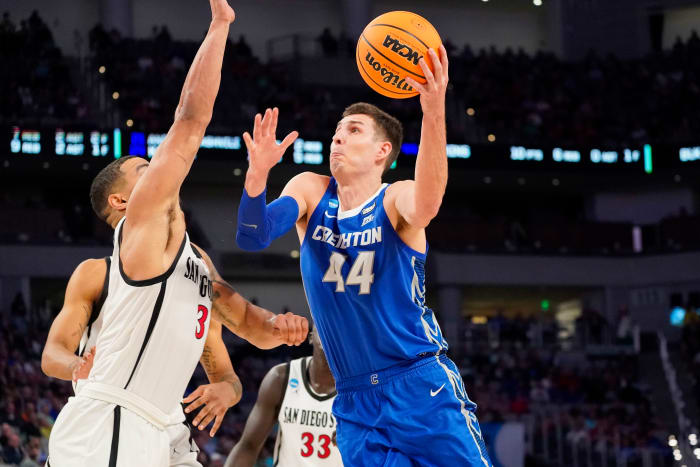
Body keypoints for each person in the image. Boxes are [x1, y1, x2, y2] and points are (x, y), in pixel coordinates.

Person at [47, 1, 307, 465]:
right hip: (111, 418)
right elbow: (189, 123)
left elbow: (250, 328)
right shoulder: (138, 230)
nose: (156, 176)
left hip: (165, 427)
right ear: (122, 202)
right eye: (144, 172)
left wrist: (282, 329)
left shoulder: (197, 262)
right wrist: (220, 26)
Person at [235, 46, 492, 466]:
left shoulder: (394, 199)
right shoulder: (310, 190)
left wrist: (432, 111)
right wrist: (257, 175)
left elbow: (428, 204)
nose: (338, 136)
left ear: (381, 152)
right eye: (337, 130)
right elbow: (252, 236)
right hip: (353, 397)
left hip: (418, 382)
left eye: (353, 130)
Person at [42, 256, 242, 466]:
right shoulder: (98, 273)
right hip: (106, 414)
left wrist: (227, 392)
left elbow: (229, 378)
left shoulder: (198, 291)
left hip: (169, 426)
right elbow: (52, 355)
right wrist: (77, 366)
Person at [226, 328, 341, 466]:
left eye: (334, 325)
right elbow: (248, 445)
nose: (329, 328)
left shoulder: (360, 391)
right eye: (323, 321)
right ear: (311, 337)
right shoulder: (281, 378)